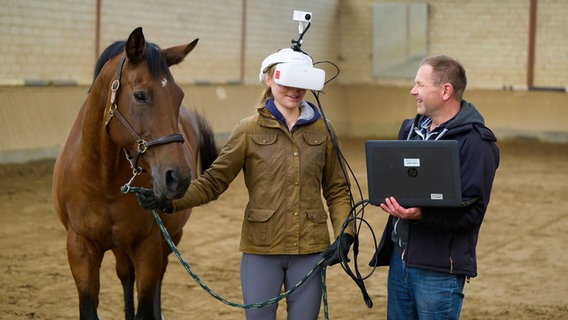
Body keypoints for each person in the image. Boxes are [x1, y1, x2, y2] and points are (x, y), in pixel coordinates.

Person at [137, 48, 355, 320]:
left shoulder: (324, 130)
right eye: (286, 81)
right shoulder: (248, 130)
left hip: (310, 250)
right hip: (261, 250)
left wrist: (346, 233)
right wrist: (168, 200)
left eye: (301, 82)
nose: (294, 90)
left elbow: (337, 189)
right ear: (268, 80)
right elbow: (213, 182)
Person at [369, 55, 500, 319]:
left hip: (439, 268)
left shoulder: (477, 143)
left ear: (445, 91)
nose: (413, 91)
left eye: (420, 84)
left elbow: (473, 212)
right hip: (399, 258)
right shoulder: (409, 131)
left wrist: (423, 214)